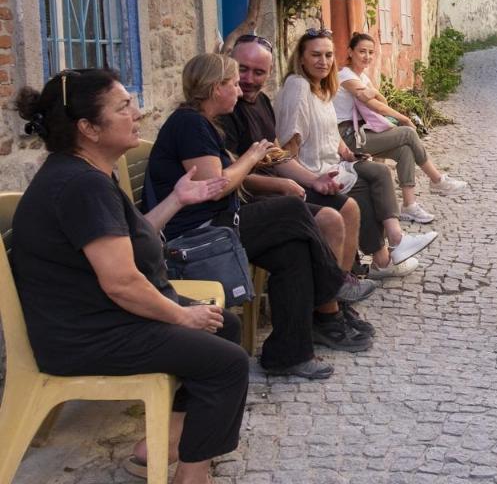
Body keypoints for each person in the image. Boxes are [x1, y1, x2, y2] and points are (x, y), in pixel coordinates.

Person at [12, 69, 249, 483]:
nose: (137, 114)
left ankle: (167, 444)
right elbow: (121, 282)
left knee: (223, 325)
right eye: (123, 107)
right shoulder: (81, 185)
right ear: (88, 128)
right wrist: (181, 316)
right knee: (227, 362)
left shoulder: (84, 173)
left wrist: (177, 199)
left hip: (99, 318)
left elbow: (130, 240)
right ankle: (192, 475)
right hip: (88, 336)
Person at [145, 54, 352, 378]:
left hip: (219, 224)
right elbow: (216, 187)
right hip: (198, 235)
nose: (240, 91)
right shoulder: (189, 124)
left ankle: (288, 355)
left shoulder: (202, 123)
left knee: (293, 250)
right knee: (292, 210)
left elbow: (226, 178)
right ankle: (333, 285)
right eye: (233, 83)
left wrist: (270, 170)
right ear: (216, 88)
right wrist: (252, 157)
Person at [221, 35, 377, 344]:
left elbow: (277, 157)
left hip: (276, 189)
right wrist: (283, 184)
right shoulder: (225, 109)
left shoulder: (261, 102)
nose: (249, 79)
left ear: (269, 74)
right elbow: (227, 176)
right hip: (253, 198)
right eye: (242, 70)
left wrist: (312, 180)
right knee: (330, 219)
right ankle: (326, 314)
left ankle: (337, 301)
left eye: (258, 72)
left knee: (348, 207)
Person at [274, 28, 436, 279]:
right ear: (301, 58)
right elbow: (289, 142)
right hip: (312, 173)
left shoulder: (321, 87)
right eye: (316, 55)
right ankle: (384, 259)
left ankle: (394, 243)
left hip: (333, 164)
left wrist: (348, 153)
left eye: (328, 55)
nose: (323, 61)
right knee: (365, 189)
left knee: (379, 171)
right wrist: (304, 180)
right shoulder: (298, 86)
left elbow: (331, 130)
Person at [334, 32, 468, 224]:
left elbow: (382, 101)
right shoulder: (345, 75)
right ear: (350, 52)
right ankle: (437, 180)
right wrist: (404, 119)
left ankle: (409, 206)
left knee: (405, 150)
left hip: (360, 134)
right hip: (346, 138)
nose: (367, 56)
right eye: (362, 51)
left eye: (371, 52)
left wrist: (374, 93)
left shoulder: (362, 77)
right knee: (408, 133)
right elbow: (373, 104)